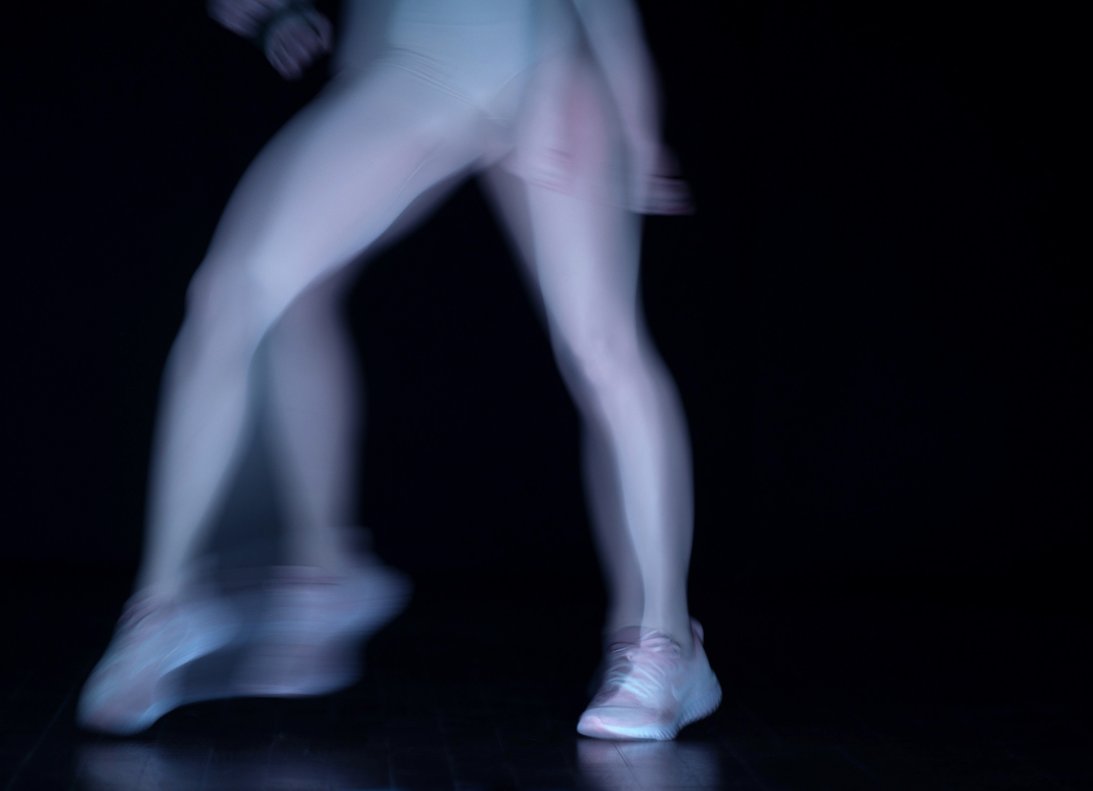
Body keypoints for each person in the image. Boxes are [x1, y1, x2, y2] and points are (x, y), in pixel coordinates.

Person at [78, 0, 722, 741]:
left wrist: (620, 103)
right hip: (415, 64)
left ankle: (665, 643)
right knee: (235, 295)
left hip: (548, 53)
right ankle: (179, 605)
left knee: (602, 345)